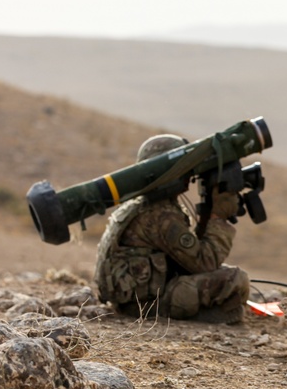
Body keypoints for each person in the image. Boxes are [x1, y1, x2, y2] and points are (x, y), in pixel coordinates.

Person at [94, 133, 250, 324]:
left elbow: (187, 257)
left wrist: (207, 216)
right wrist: (218, 217)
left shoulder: (139, 204)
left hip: (133, 301)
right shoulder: (160, 214)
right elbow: (204, 262)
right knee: (235, 279)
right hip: (147, 307)